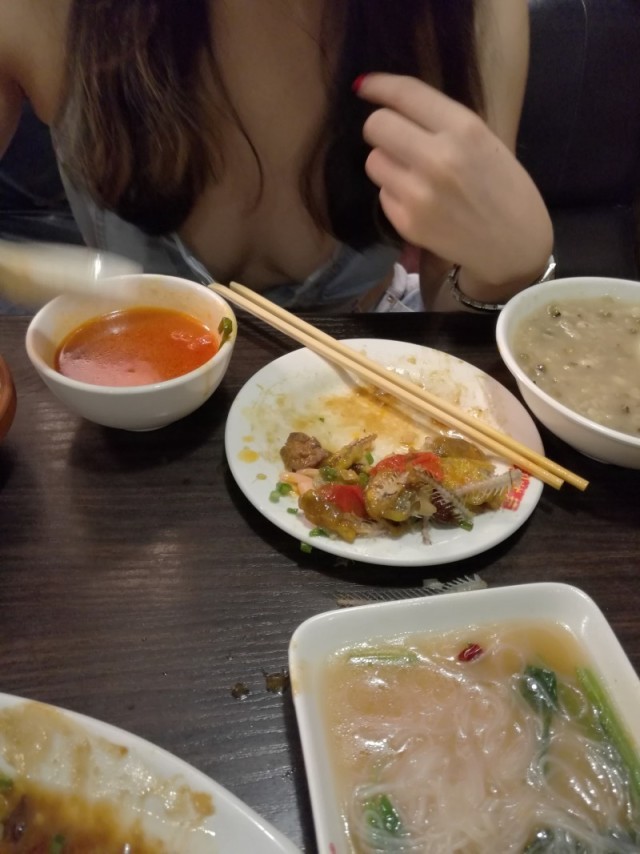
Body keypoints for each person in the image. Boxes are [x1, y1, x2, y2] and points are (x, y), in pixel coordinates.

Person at [0, 0, 553, 314]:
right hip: (123, 402)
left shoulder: (469, 13)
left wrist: (504, 272)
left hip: (359, 408)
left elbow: (449, 306)